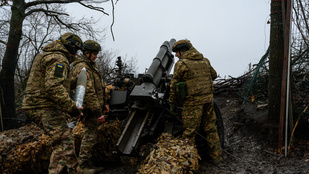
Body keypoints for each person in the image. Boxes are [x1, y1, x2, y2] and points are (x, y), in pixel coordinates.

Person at [22, 32, 84, 173]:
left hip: (35, 104)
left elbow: (55, 83)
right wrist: (72, 108)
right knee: (64, 141)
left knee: (63, 140)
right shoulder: (59, 59)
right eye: (76, 50)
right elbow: (53, 87)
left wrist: (78, 81)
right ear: (71, 47)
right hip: (43, 106)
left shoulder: (47, 55)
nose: (76, 54)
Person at [169, 39, 222, 163]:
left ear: (183, 51)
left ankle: (188, 163)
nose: (176, 55)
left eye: (177, 52)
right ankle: (217, 157)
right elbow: (213, 75)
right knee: (211, 129)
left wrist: (172, 104)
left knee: (189, 133)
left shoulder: (182, 64)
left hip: (192, 103)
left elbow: (173, 85)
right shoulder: (204, 60)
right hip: (208, 100)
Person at [70, 40, 106, 173]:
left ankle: (87, 163)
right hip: (90, 108)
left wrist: (104, 104)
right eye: (94, 53)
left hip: (95, 107)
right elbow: (89, 91)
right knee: (89, 137)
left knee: (92, 136)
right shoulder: (82, 67)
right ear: (87, 53)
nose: (96, 56)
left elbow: (99, 87)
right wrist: (98, 112)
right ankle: (83, 166)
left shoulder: (91, 66)